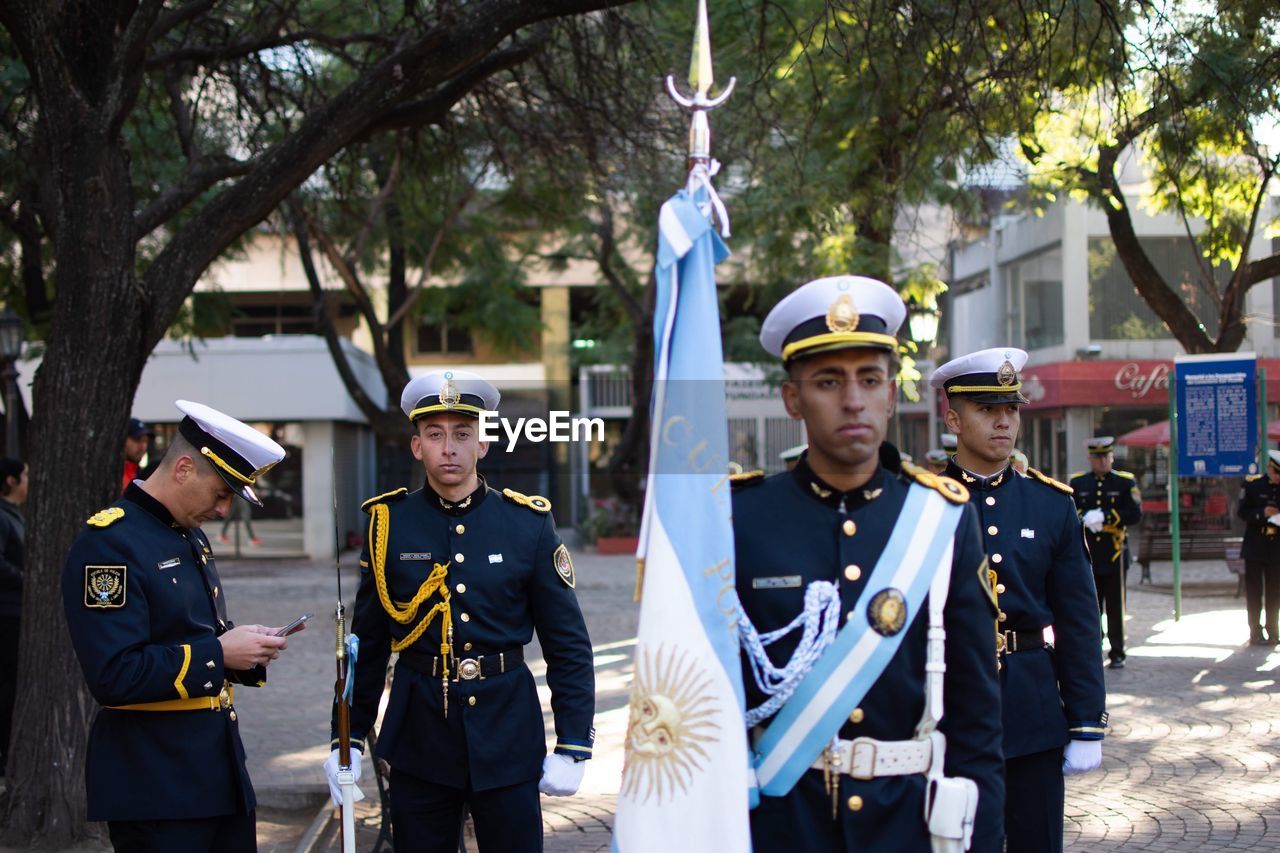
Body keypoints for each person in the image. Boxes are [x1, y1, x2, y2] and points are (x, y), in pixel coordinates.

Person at [734, 276, 1004, 852]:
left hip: (906, 824)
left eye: (870, 379)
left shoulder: (943, 519)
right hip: (782, 824)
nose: (853, 400)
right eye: (828, 382)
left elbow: (976, 715)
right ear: (792, 398)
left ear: (890, 394)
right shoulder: (740, 518)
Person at [329, 369, 595, 852]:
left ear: (483, 444)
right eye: (434, 435)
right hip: (420, 737)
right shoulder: (389, 525)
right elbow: (366, 645)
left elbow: (567, 642)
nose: (448, 448)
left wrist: (575, 744)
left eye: (462, 434)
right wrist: (341, 738)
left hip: (507, 731)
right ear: (417, 447)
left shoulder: (527, 524)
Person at [63, 401, 291, 852]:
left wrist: (245, 651)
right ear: (184, 468)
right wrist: (219, 654)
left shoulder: (187, 533)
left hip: (216, 771)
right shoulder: (110, 544)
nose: (224, 510)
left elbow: (189, 633)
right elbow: (114, 674)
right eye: (222, 494)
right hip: (155, 783)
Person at [931, 348, 1107, 853]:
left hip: (1032, 711)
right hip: (948, 710)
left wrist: (1085, 719)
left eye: (1010, 409)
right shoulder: (922, 502)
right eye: (988, 410)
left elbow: (1079, 622)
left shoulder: (1050, 504)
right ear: (953, 419)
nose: (1004, 421)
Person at [1069, 437, 1142, 668]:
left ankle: (1118, 651)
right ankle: (1094, 645)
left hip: (1115, 553)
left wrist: (1107, 517)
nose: (1102, 462)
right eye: (1097, 458)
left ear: (1111, 457)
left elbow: (1134, 514)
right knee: (1091, 605)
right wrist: (1085, 519)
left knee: (1115, 606)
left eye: (1106, 457)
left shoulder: (1124, 482)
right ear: (1090, 459)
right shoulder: (1079, 482)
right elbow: (1070, 512)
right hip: (1089, 553)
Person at [1237, 450, 1280, 646]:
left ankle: (1273, 630)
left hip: (1276, 547)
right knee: (1254, 591)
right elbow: (1242, 512)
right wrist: (1262, 513)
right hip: (1255, 545)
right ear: (1270, 468)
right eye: (1276, 473)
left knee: (1275, 591)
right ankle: (1255, 630)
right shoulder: (1253, 485)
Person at [0, 458, 26, 776]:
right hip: (7, 612)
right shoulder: (3, 517)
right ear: (10, 480)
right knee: (8, 683)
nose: (28, 481)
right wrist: (26, 577)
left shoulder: (13, 515)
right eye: (25, 476)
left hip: (14, 609)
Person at [121, 416, 154, 493]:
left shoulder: (141, 472)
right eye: (137, 439)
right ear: (124, 439)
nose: (143, 446)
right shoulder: (113, 471)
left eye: (145, 441)